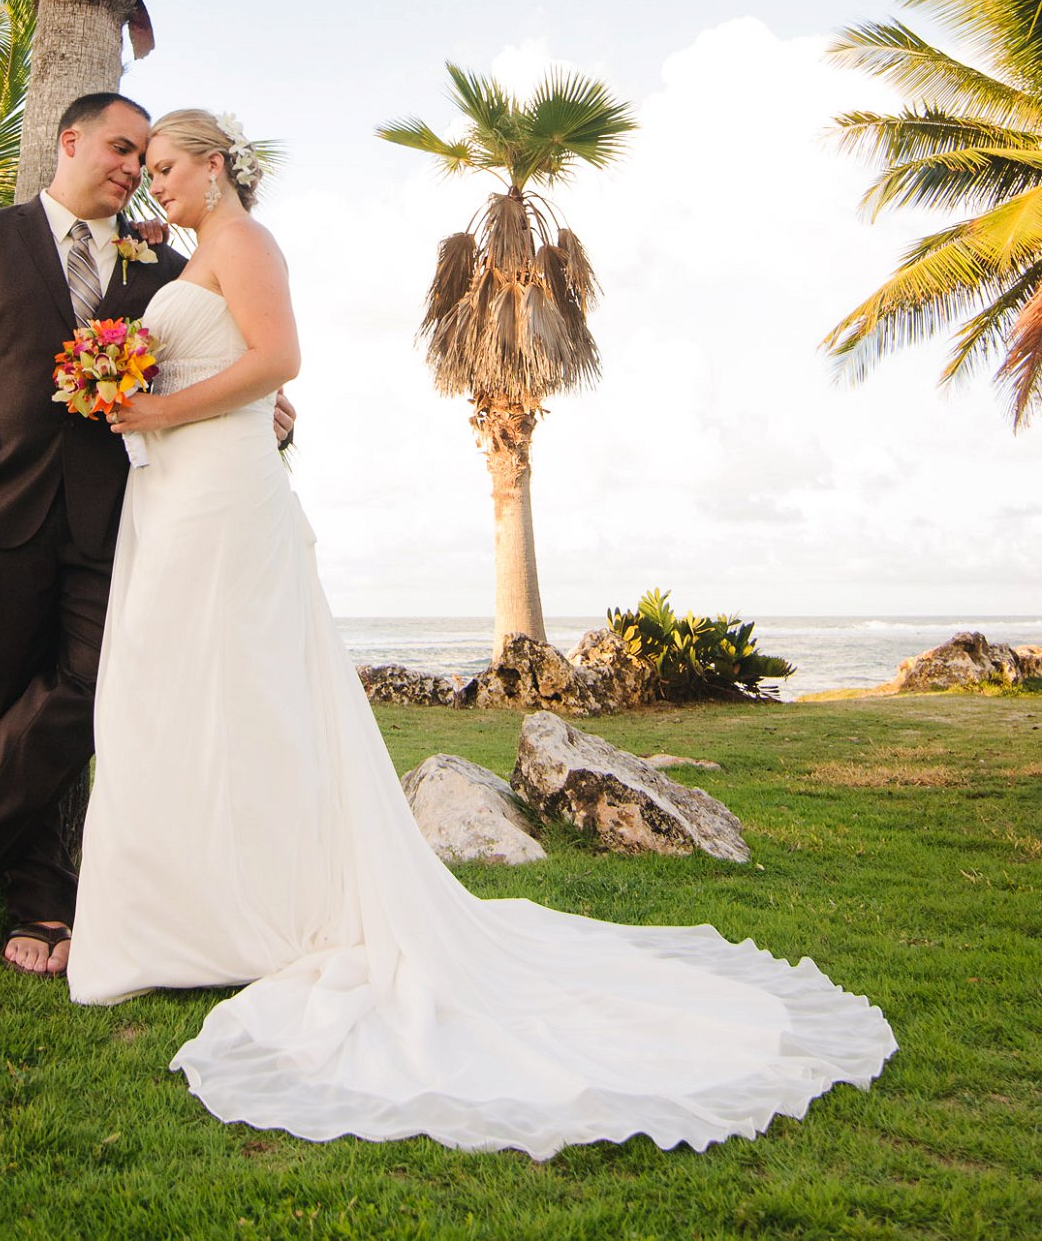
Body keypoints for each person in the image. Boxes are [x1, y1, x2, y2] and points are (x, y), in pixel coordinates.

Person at [67, 108, 897, 1158]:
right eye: (146, 170)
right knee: (184, 696)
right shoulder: (185, 257)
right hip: (181, 491)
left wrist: (159, 412)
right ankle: (198, 909)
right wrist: (133, 391)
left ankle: (262, 912)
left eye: (170, 167)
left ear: (215, 167)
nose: (156, 185)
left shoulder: (242, 244)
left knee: (249, 695)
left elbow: (281, 360)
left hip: (222, 493)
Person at [0, 91, 293, 977]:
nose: (131, 170)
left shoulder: (166, 265)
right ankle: (34, 895)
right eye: (119, 149)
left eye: (146, 158)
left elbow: (224, 351)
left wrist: (266, 404)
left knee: (86, 690)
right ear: (69, 141)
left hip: (115, 515)